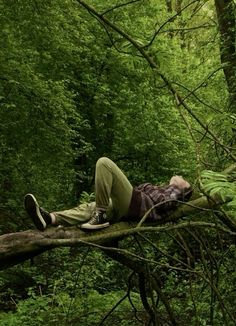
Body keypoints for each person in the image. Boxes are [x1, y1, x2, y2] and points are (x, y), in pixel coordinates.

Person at [24, 157, 192, 231]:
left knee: (104, 163)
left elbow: (163, 203)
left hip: (135, 205)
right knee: (89, 207)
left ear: (184, 186)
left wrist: (176, 185)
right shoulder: (166, 189)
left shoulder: (176, 192)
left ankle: (101, 215)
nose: (179, 176)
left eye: (182, 178)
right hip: (128, 208)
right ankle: (50, 218)